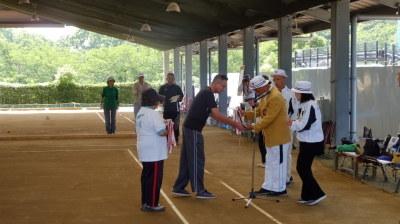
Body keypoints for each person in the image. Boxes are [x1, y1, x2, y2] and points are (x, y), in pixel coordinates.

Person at [172, 74, 246, 199]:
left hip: (190, 128)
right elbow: (216, 115)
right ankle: (199, 190)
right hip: (193, 129)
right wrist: (235, 124)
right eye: (223, 86)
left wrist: (231, 122)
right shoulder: (207, 93)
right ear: (216, 83)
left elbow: (211, 114)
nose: (223, 89)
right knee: (197, 159)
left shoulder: (206, 93)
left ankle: (179, 187)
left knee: (187, 159)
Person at [246, 75, 291, 196]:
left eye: (256, 89)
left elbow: (269, 118)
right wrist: (246, 114)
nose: (255, 92)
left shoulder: (275, 97)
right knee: (270, 162)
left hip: (279, 137)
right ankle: (269, 186)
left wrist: (254, 127)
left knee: (279, 164)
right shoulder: (266, 95)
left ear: (263, 86)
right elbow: (260, 111)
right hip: (270, 136)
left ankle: (280, 188)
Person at [288, 81, 326, 206]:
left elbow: (303, 125)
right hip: (306, 141)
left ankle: (317, 193)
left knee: (302, 168)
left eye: (296, 93)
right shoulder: (302, 104)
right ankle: (307, 195)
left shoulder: (310, 105)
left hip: (312, 142)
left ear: (302, 93)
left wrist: (290, 124)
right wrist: (293, 123)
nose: (295, 95)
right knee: (304, 168)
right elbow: (299, 121)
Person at [136, 88, 167, 212]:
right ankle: (153, 203)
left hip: (144, 149)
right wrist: (168, 129)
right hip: (154, 152)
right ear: (153, 101)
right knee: (155, 178)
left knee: (146, 177)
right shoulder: (154, 114)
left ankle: (145, 201)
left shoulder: (141, 112)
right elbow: (161, 132)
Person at [271, 69, 299, 185]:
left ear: (284, 79)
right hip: (273, 127)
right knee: (274, 152)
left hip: (286, 127)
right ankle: (276, 176)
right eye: (274, 79)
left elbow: (295, 110)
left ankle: (286, 177)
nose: (275, 81)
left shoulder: (291, 94)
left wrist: (291, 122)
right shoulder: (270, 92)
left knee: (286, 152)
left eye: (278, 79)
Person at [159, 72, 184, 143]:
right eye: (169, 78)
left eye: (172, 78)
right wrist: (162, 101)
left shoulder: (177, 87)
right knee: (167, 125)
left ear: (174, 79)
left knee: (176, 125)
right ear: (166, 79)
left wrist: (175, 98)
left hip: (175, 110)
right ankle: (167, 139)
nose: (170, 79)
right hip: (166, 110)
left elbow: (181, 97)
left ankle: (176, 139)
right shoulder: (162, 88)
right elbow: (159, 98)